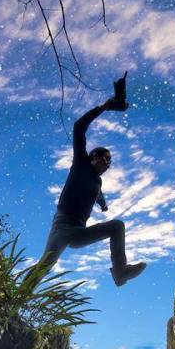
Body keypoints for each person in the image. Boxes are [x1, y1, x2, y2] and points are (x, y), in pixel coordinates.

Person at [37, 97, 146, 287]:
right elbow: (79, 127)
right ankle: (16, 300)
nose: (108, 164)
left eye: (110, 161)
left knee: (117, 226)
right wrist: (103, 107)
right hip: (62, 227)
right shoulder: (81, 163)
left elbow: (98, 192)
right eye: (106, 158)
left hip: (79, 232)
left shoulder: (97, 180)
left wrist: (103, 204)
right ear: (94, 156)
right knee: (45, 265)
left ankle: (120, 272)